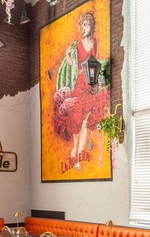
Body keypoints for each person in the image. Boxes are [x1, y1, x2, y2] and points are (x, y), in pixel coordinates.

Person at [52, 11, 109, 171]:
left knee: (85, 120)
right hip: (78, 84)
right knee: (77, 120)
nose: (85, 27)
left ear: (92, 26)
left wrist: (98, 79)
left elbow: (93, 63)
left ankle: (77, 156)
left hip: (89, 84)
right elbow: (72, 65)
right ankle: (75, 149)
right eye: (83, 25)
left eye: (88, 24)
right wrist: (67, 56)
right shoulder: (76, 45)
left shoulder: (94, 42)